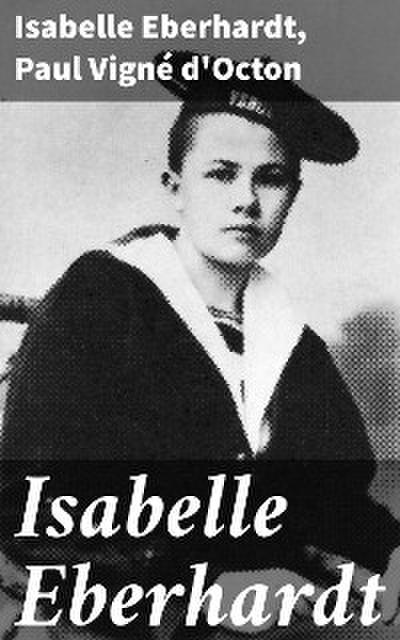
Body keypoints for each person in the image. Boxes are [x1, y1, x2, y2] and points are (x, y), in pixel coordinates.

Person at [0, 51, 399, 638]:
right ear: (175, 187)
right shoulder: (103, 295)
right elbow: (29, 512)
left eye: (271, 178)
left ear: (293, 194)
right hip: (93, 615)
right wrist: (207, 591)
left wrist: (388, 550)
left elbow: (330, 498)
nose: (246, 200)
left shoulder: (290, 340)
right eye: (221, 173)